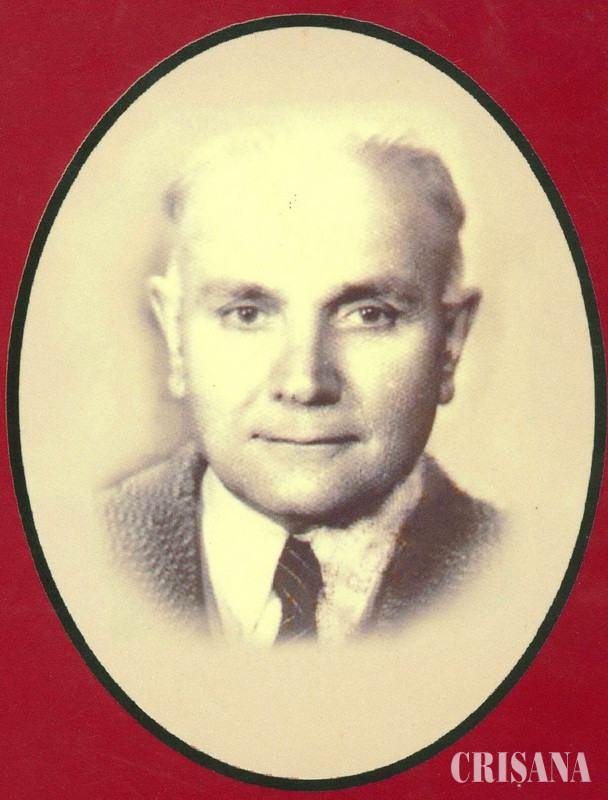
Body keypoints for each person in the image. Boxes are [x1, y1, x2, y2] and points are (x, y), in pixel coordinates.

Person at [102, 119, 501, 645]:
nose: (304, 383)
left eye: (369, 315)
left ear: (449, 343)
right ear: (176, 336)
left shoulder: (523, 574)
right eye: (247, 314)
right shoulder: (79, 553)